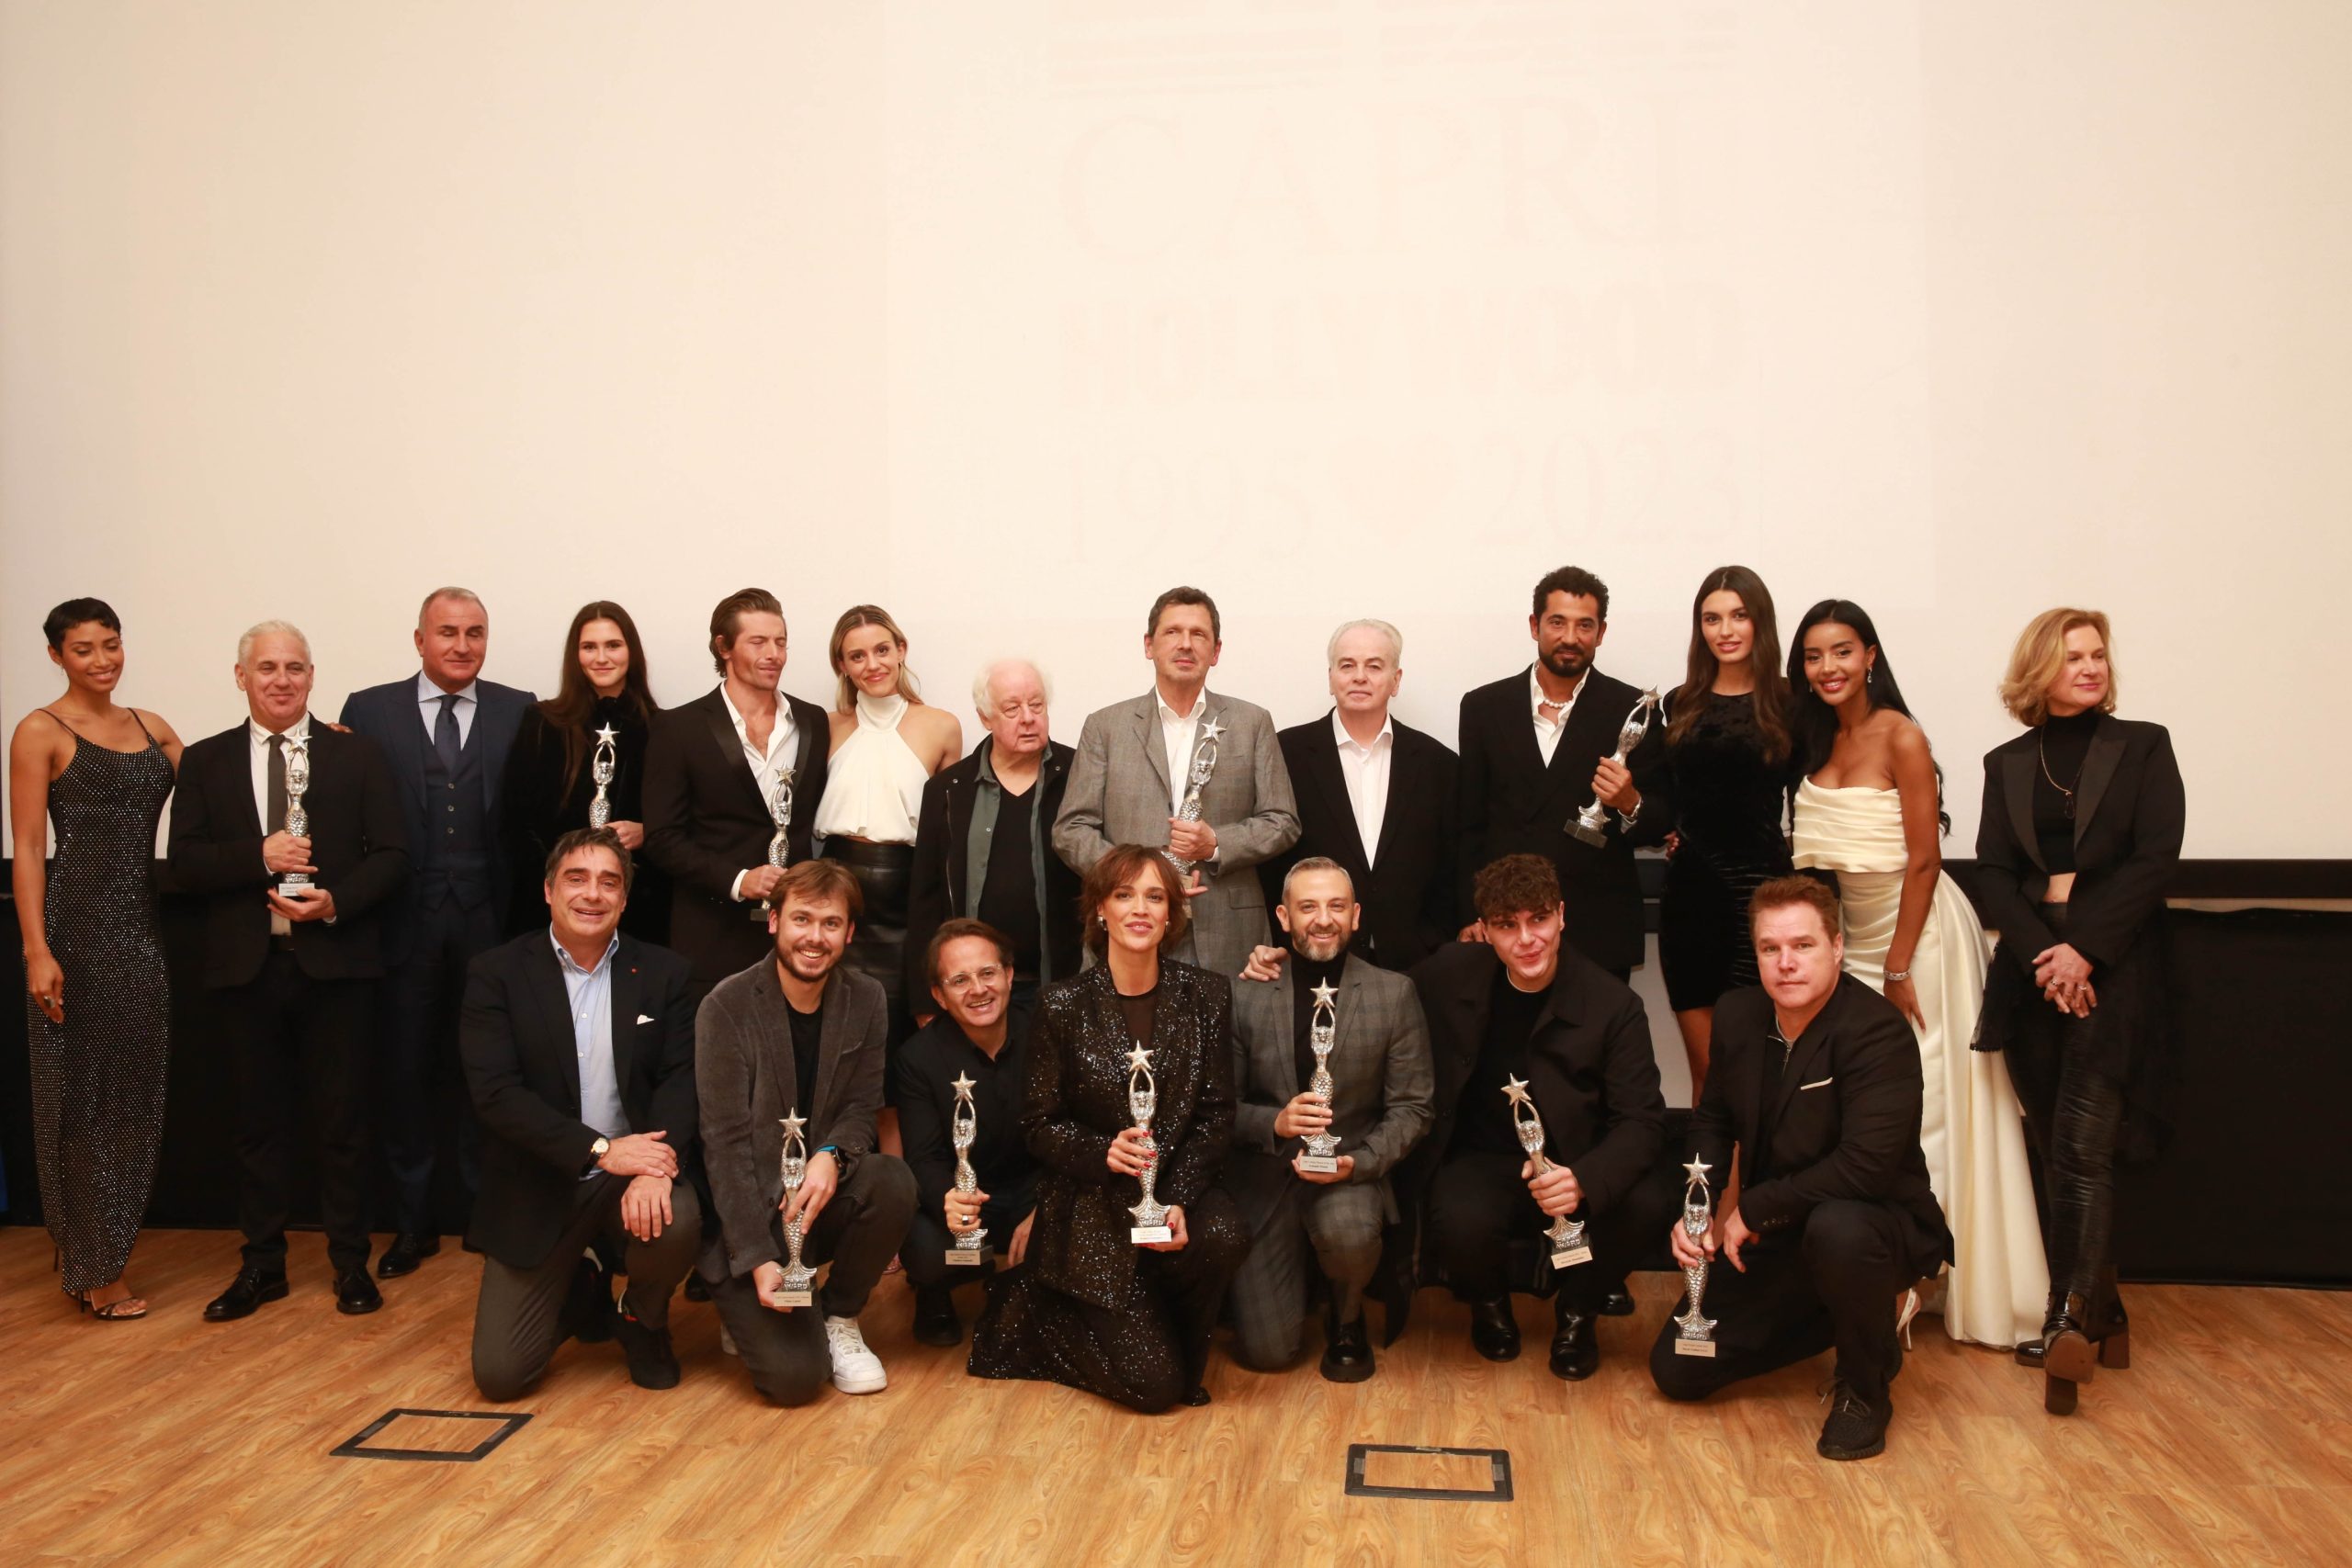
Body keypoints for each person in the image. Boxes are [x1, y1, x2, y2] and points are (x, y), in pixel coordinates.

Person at [1787, 599, 2044, 1350]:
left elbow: (1925, 858)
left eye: (1842, 651)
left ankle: (1925, 1276)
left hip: (1919, 938)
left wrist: (1899, 963)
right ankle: (1880, 1266)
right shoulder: (1817, 738)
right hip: (1853, 943)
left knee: (1925, 1109)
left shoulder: (1902, 734)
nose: (1828, 667)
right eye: (1813, 656)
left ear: (1870, 655)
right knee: (1867, 1112)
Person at [1649, 877, 1952, 1462]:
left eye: (1803, 945)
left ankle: (1864, 1387)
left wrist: (1753, 1209)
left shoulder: (1877, 1030)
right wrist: (1698, 1208)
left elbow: (1865, 1167)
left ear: (1836, 947)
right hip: (1782, 1233)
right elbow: (1713, 1120)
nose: (1785, 963)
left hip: (1871, 1226)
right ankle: (1867, 1317)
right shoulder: (1738, 1014)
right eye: (1770, 948)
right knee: (1679, 1369)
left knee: (1839, 1228)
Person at [1974, 609, 2183, 1415]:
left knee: (2082, 1147)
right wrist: (2047, 957)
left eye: (2098, 655)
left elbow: (2155, 858)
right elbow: (1994, 872)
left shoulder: (2145, 746)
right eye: (2072, 657)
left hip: (2115, 967)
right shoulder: (2006, 762)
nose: (2091, 667)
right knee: (2051, 1146)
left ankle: (2068, 1320)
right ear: (2040, 669)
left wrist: (2084, 951)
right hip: (2033, 972)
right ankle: (2108, 1311)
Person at [169, 622, 407, 1322]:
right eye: (267, 667)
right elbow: (185, 863)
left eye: (295, 667)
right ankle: (262, 1265)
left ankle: (350, 1262)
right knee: (257, 1126)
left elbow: (393, 854)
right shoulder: (206, 760)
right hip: (248, 970)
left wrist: (337, 903)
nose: (282, 679)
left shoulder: (355, 754)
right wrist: (259, 854)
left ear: (311, 675)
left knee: (344, 1124)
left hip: (336, 964)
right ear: (241, 676)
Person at [969, 844, 1248, 1413]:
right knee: (1156, 1391)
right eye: (1124, 895)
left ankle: (1170, 1341)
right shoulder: (1061, 1004)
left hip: (1172, 1185)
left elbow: (1216, 1114)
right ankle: (1042, 1312)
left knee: (1223, 1233)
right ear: (1100, 909)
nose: (1140, 909)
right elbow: (1038, 1124)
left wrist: (1177, 1198)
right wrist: (1104, 1151)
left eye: (1155, 897)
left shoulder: (1208, 995)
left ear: (1171, 914)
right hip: (1091, 1200)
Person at [1408, 853, 1669, 1379]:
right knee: (1457, 1219)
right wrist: (1282, 962)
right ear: (1485, 930)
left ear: (1562, 916)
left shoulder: (1612, 1003)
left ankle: (1578, 1312)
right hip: (1483, 1156)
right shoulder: (1451, 973)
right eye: (1508, 925)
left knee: (1651, 1199)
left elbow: (1643, 1121)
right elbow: (1372, 989)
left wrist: (1584, 1179)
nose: (1527, 940)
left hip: (1575, 1159)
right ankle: (1488, 1305)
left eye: (1539, 920)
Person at [339, 586, 537, 1280]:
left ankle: (488, 1217)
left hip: (492, 921)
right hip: (403, 922)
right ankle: (413, 1223)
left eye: (474, 632)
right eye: (447, 632)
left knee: (490, 1073)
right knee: (406, 1074)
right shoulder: (369, 711)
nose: (462, 645)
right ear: (420, 640)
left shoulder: (521, 709)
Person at [462, 829, 703, 1398]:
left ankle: (641, 1317)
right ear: (548, 891)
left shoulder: (666, 973)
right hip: (541, 1179)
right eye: (577, 879)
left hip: (631, 1176)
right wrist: (600, 1151)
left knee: (678, 1218)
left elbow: (682, 1079)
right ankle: (584, 1286)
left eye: (609, 882)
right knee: (501, 1377)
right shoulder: (497, 973)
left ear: (624, 899)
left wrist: (653, 1164)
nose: (592, 894)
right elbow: (496, 1094)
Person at [9, 598, 182, 1320]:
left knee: (133, 1098)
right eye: (84, 649)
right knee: (79, 1100)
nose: (102, 660)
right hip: (73, 935)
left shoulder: (153, 728)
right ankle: (94, 1266)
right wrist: (36, 949)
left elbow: (230, 782)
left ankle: (97, 1249)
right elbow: (27, 847)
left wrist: (311, 743)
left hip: (141, 934)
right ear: (57, 656)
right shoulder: (39, 731)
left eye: (111, 644)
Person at [696, 859, 915, 1404]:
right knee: (794, 1381)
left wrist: (831, 1154)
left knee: (893, 1181)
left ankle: (839, 1318)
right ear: (773, 921)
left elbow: (862, 1107)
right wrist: (755, 1257)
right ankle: (748, 1307)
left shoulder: (867, 998)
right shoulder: (725, 1005)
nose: (815, 937)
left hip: (818, 1200)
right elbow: (723, 1148)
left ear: (849, 933)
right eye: (802, 919)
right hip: (750, 1218)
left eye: (831, 923)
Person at [1222, 860, 1432, 1382]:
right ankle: (1303, 1282)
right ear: (1283, 917)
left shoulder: (1393, 993)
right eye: (1308, 907)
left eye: (1337, 906)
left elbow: (1413, 1107)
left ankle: (1347, 1312)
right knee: (1268, 1354)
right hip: (1268, 1178)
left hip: (1347, 1174)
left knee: (1349, 1235)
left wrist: (1359, 1163)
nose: (1323, 919)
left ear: (1355, 916)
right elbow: (1219, 1106)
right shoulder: (1247, 992)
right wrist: (1275, 1122)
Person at [1053, 586, 1299, 982]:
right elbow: (1071, 830)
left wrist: (1216, 844)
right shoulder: (1105, 726)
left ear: (1216, 651)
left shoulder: (1252, 722)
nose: (1185, 644)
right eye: (1172, 632)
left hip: (1229, 935)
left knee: (1229, 1025)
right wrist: (1138, 880)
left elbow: (1283, 821)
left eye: (1198, 634)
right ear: (1149, 645)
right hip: (1130, 927)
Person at [1454, 565, 1668, 981]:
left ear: (1601, 633)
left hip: (1598, 929)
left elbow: (1661, 823)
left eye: (1584, 625)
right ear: (1535, 626)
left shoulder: (1633, 711)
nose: (1570, 637)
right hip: (1506, 926)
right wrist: (1470, 913)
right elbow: (1468, 825)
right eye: (1557, 622)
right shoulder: (1483, 707)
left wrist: (1630, 802)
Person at [641, 587, 830, 989]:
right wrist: (739, 879)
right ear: (723, 647)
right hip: (710, 933)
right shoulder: (678, 728)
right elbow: (662, 837)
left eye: (781, 642)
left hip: (796, 936)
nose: (774, 654)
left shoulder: (813, 721)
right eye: (758, 642)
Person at [1656, 567, 1799, 1093]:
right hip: (1691, 901)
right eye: (1711, 618)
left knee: (1760, 1077)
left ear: (1761, 621)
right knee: (1709, 1077)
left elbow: (1814, 801)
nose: (1726, 630)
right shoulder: (1678, 703)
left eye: (1739, 616)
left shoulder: (1791, 703)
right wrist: (1668, 827)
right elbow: (1667, 798)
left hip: (1768, 900)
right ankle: (1711, 1157)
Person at [813, 605, 964, 1105]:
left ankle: (902, 1151)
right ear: (842, 665)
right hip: (835, 893)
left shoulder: (942, 726)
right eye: (857, 655)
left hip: (907, 899)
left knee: (902, 1040)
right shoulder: (824, 727)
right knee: (833, 1037)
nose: (872, 664)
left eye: (882, 650)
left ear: (901, 651)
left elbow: (947, 834)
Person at [1261, 620, 1459, 972]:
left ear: (1396, 680)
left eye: (1374, 666)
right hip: (1310, 956)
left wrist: (1434, 940)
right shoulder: (1285, 753)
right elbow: (1269, 858)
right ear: (1331, 678)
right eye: (1347, 665)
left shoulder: (1438, 764)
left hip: (1415, 962)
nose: (1360, 677)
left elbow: (1452, 864)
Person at [891, 919, 1041, 1348]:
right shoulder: (917, 1059)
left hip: (1034, 1191)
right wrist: (949, 1200)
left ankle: (1029, 1284)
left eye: (987, 973)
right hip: (966, 1196)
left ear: (1009, 975)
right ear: (939, 995)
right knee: (927, 1250)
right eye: (959, 980)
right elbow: (923, 1156)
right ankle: (935, 1293)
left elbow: (1069, 1130)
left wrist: (1047, 1205)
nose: (978, 990)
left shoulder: (1046, 1032)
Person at [904, 659, 1080, 1019]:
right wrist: (924, 1004)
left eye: (1037, 705)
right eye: (1012, 709)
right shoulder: (947, 790)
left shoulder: (1080, 776)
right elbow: (925, 901)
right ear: (985, 718)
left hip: (1064, 985)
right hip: (973, 994)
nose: (1028, 718)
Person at [500, 601, 666, 943]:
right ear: (575, 655)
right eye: (589, 647)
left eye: (613, 645)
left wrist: (648, 832)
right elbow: (513, 819)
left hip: (638, 907)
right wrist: (563, 877)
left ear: (631, 652)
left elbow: (682, 820)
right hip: (548, 906)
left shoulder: (664, 728)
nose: (601, 658)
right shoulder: (541, 722)